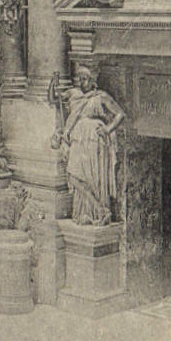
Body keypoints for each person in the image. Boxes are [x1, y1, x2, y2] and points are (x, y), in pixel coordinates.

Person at [53, 67, 125, 226]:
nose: (81, 82)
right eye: (79, 79)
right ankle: (97, 209)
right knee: (73, 174)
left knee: (92, 176)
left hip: (94, 139)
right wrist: (54, 83)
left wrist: (108, 129)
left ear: (93, 81)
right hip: (78, 137)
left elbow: (120, 114)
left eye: (85, 79)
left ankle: (96, 213)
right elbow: (54, 98)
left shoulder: (101, 96)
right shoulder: (74, 94)